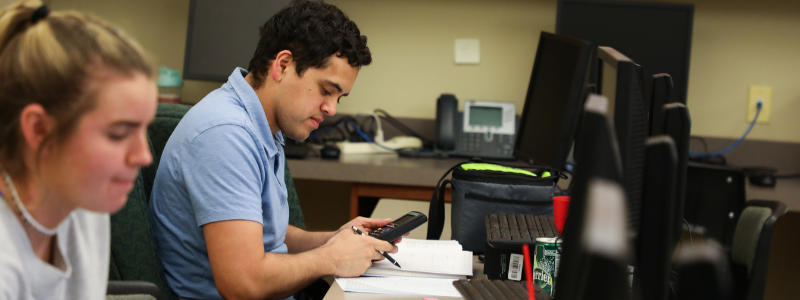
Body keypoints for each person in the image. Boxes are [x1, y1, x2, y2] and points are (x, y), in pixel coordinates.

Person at [148, 1, 395, 299]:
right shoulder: (226, 135)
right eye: (326, 90)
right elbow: (243, 283)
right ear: (283, 65)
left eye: (339, 98)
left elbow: (264, 234)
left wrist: (335, 240)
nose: (331, 108)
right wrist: (332, 258)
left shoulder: (261, 124)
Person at [0, 1, 157, 299]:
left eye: (143, 130)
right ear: (39, 129)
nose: (143, 157)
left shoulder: (83, 203)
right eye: (119, 133)